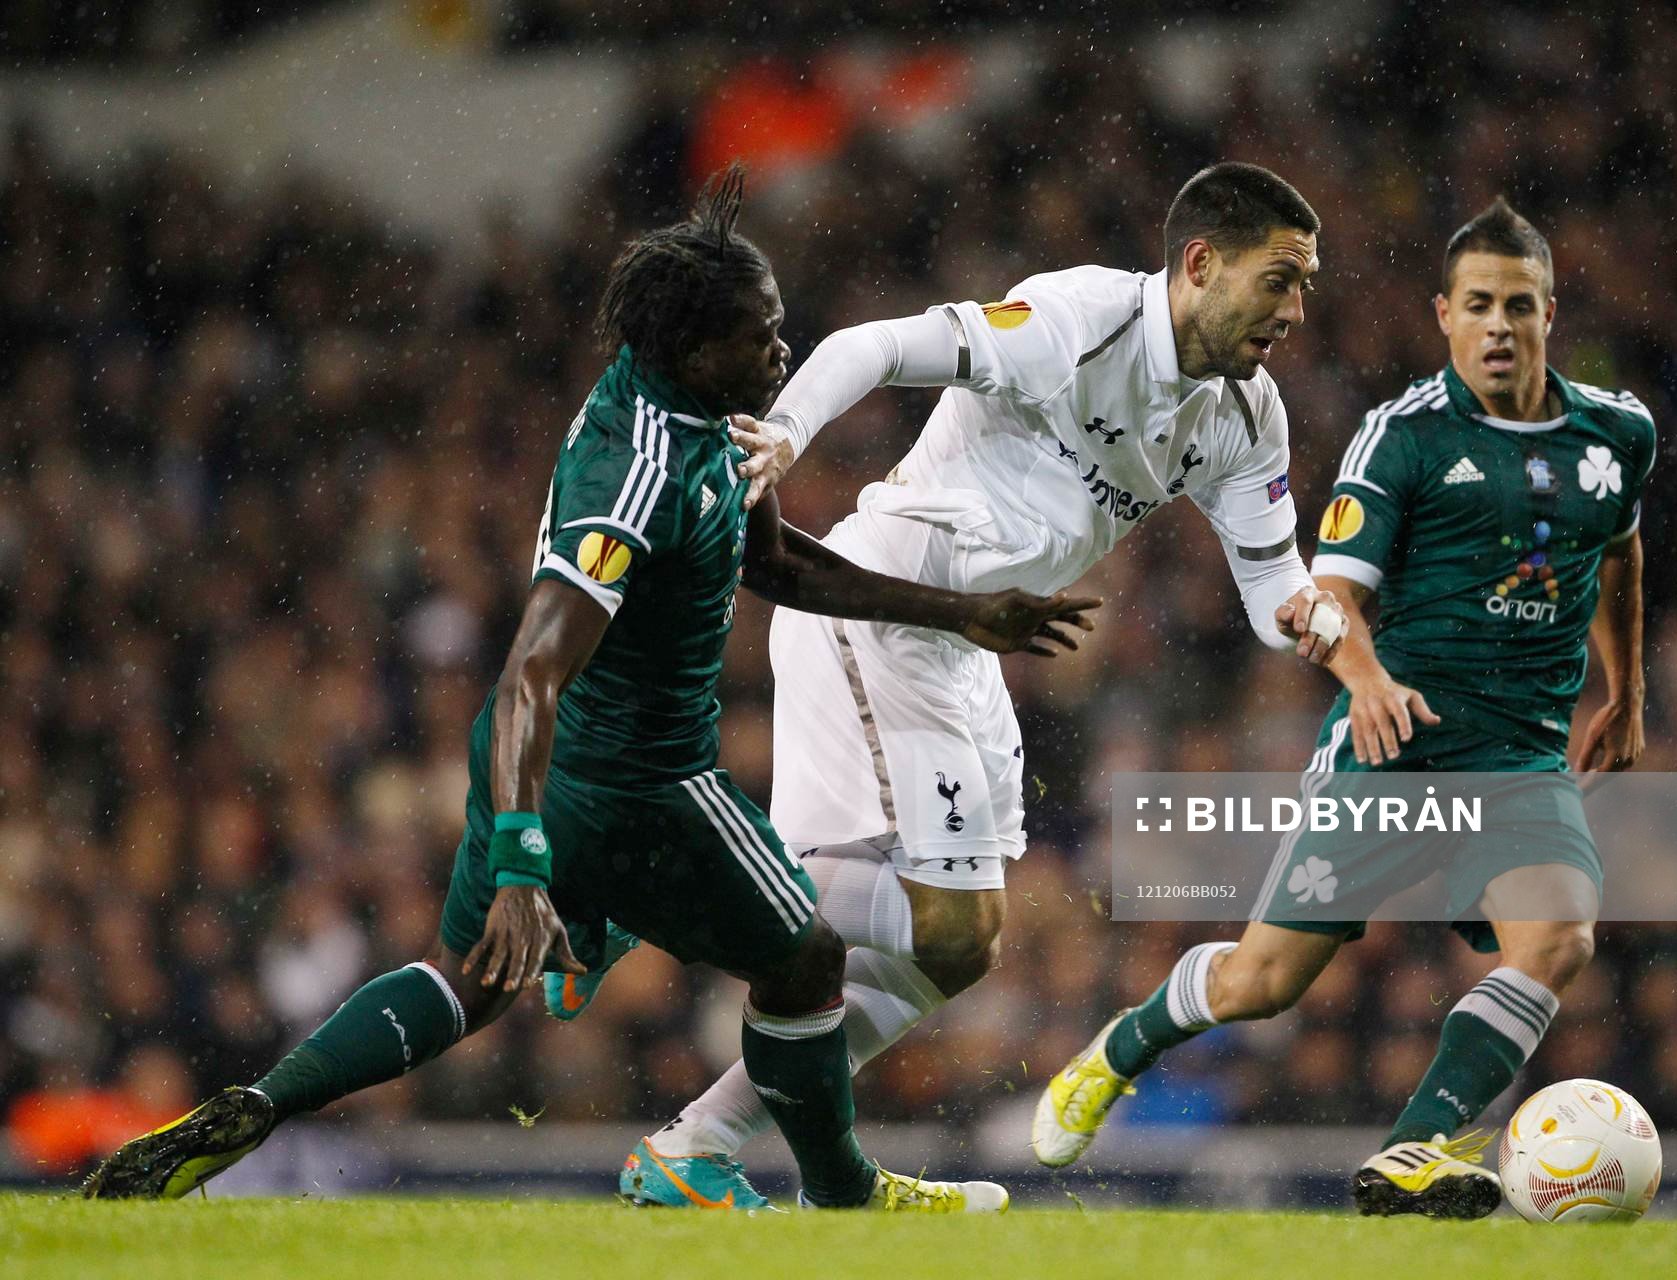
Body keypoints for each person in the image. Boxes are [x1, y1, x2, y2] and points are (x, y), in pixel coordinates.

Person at [83, 167, 1099, 1212]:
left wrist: (959, 612)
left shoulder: (698, 408)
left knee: (465, 982)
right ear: (693, 350)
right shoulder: (637, 476)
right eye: (759, 336)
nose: (780, 352)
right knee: (805, 958)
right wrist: (525, 866)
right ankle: (832, 1192)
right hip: (642, 782)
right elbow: (534, 667)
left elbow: (777, 562)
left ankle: (260, 1103)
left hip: (541, 762)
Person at [560, 162, 1348, 1210]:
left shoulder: (1246, 416)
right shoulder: (1077, 321)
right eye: (1279, 280)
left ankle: (694, 1142)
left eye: (1306, 286)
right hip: (888, 607)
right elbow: (876, 346)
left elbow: (1271, 584)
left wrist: (1325, 620)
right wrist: (787, 431)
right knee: (951, 923)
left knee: (950, 953)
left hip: (966, 647)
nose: (1295, 310)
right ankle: (648, 883)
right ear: (1200, 264)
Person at [1033, 199, 1653, 1220]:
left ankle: (1415, 1148)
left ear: (1550, 312)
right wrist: (1366, 680)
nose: (1499, 325)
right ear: (1444, 315)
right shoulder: (1405, 437)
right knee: (1261, 982)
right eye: (1478, 305)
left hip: (1521, 754)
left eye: (1519, 305)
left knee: (1559, 937)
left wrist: (1626, 691)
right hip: (1396, 743)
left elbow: (1618, 548)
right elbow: (1327, 593)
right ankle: (1122, 1046)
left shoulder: (1618, 432)